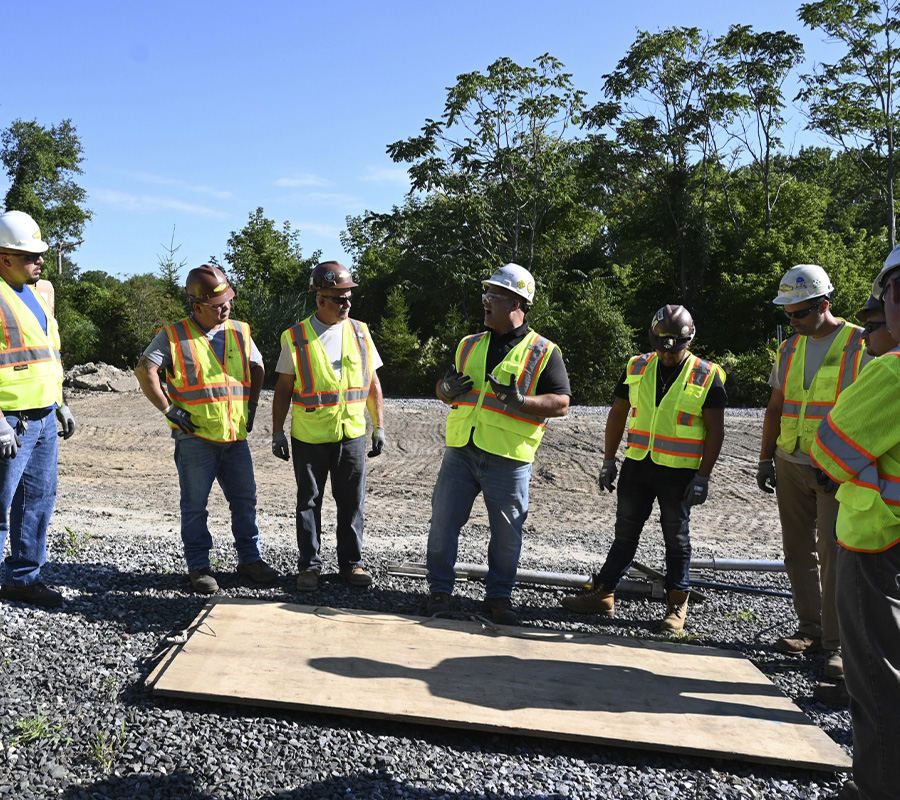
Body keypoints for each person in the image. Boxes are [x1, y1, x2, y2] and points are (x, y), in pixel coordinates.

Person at [560, 305, 726, 631]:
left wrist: (703, 477)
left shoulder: (707, 375)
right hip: (638, 465)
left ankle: (677, 605)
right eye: (661, 346)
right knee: (625, 534)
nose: (666, 354)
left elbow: (716, 430)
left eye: (674, 348)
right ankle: (604, 593)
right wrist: (609, 460)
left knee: (676, 539)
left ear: (688, 341)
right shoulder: (636, 366)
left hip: (679, 473)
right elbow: (618, 413)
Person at [425, 263, 570, 625]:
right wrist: (445, 391)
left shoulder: (544, 351)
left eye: (494, 295)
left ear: (517, 302)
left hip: (509, 457)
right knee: (443, 522)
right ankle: (439, 593)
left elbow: (562, 403)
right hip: (462, 450)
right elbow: (445, 392)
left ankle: (499, 599)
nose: (486, 301)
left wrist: (521, 401)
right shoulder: (468, 344)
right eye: (486, 294)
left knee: (507, 534)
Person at [810, 247, 900, 800]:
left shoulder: (892, 372)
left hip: (879, 547)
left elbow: (831, 453)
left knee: (878, 678)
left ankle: (877, 788)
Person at [134, 265, 278, 594]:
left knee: (245, 501)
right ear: (197, 306)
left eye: (227, 300)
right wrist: (169, 409)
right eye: (217, 304)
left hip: (234, 438)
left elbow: (258, 366)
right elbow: (145, 371)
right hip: (195, 438)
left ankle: (250, 559)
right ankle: (199, 567)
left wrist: (252, 406)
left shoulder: (239, 331)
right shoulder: (173, 335)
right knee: (195, 505)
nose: (225, 307)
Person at [756, 264, 868, 680]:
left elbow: (869, 414)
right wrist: (766, 459)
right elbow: (775, 408)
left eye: (799, 313)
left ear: (824, 305)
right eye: (787, 314)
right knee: (798, 552)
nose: (793, 321)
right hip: (791, 462)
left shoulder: (862, 345)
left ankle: (837, 647)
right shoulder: (789, 349)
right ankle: (810, 628)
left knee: (835, 558)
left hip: (835, 469)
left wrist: (846, 465)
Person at [271, 261, 385, 592]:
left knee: (352, 501)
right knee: (309, 501)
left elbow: (372, 382)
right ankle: (309, 566)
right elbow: (283, 388)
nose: (347, 303)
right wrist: (277, 431)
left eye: (349, 297)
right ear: (321, 300)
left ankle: (352, 564)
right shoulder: (296, 337)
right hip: (309, 436)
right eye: (340, 299)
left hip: (351, 434)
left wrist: (378, 425)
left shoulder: (361, 332)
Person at [0, 211, 76, 609]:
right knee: (1, 503)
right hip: (9, 420)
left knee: (37, 501)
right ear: (4, 257)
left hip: (42, 416)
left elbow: (48, 355)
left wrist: (60, 402)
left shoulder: (38, 294)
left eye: (40, 254)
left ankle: (22, 579)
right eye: (30, 255)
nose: (40, 260)